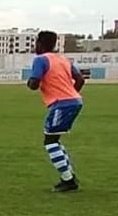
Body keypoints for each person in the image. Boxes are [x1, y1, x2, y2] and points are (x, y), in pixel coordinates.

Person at [27, 30, 85, 193]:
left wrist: (30, 82)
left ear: (39, 44)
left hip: (62, 103)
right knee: (55, 139)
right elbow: (80, 79)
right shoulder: (63, 59)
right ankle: (69, 176)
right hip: (75, 101)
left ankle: (68, 180)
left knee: (50, 141)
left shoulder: (40, 59)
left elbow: (34, 84)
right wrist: (72, 94)